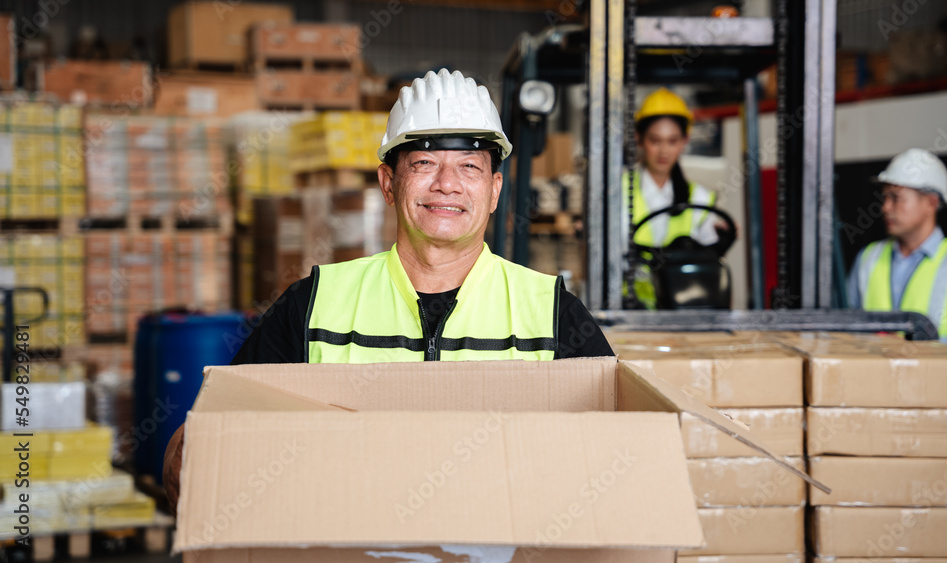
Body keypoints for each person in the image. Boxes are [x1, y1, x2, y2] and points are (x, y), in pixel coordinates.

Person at [163, 69, 614, 512]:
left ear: (495, 190)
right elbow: (206, 441)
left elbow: (615, 457)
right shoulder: (314, 304)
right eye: (424, 163)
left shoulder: (553, 313)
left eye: (469, 166)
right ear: (388, 184)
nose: (447, 184)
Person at [847, 148, 947, 356]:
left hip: (936, 385)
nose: (885, 207)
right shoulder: (868, 258)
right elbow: (845, 326)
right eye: (884, 198)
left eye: (896, 198)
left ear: (930, 203)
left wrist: (922, 349)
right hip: (874, 382)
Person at [624, 87, 730, 309]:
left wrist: (723, 237)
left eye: (672, 141)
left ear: (684, 141)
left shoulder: (700, 198)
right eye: (655, 140)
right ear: (639, 139)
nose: (664, 151)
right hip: (631, 309)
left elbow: (708, 258)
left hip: (686, 311)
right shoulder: (619, 193)